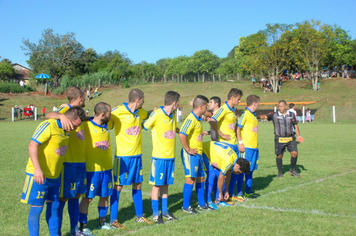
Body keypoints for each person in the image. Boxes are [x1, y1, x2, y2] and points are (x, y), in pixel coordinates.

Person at [20, 107, 85, 236]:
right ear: (67, 120)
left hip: (55, 176)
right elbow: (32, 145)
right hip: (39, 175)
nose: (74, 129)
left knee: (54, 208)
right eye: (74, 126)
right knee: (37, 209)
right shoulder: (48, 125)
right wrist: (37, 169)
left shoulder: (66, 130)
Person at [46, 86, 87, 236]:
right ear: (80, 97)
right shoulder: (66, 111)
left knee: (76, 197)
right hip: (68, 163)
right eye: (84, 97)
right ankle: (55, 232)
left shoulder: (81, 113)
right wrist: (61, 116)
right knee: (61, 199)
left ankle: (74, 230)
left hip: (81, 162)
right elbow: (48, 114)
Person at [110, 89, 153, 228]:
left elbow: (149, 114)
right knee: (118, 187)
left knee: (138, 185)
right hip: (122, 158)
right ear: (138, 99)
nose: (144, 101)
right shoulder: (117, 111)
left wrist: (158, 110)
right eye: (143, 99)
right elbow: (103, 119)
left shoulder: (141, 112)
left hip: (137, 156)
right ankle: (113, 220)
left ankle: (140, 216)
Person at [142, 91, 180, 224]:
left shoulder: (173, 116)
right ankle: (155, 213)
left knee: (166, 185)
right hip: (159, 157)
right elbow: (144, 126)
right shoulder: (157, 114)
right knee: (157, 185)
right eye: (178, 103)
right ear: (174, 103)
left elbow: (175, 130)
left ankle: (165, 211)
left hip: (171, 157)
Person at [79, 102, 116, 233]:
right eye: (109, 113)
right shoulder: (86, 125)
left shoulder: (106, 125)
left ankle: (102, 223)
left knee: (105, 196)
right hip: (91, 170)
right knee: (88, 198)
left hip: (106, 169)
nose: (111, 116)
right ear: (102, 114)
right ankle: (83, 226)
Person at [208, 88, 245, 202]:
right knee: (223, 174)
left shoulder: (233, 109)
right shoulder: (223, 108)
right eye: (238, 99)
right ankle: (218, 197)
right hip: (225, 145)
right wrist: (221, 134)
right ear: (232, 98)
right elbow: (211, 120)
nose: (239, 101)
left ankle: (228, 194)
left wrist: (239, 142)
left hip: (233, 145)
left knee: (232, 172)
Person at [179, 95, 211, 214]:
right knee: (190, 179)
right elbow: (182, 134)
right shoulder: (190, 119)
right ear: (201, 106)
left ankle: (201, 204)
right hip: (191, 154)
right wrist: (188, 149)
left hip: (198, 153)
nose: (206, 109)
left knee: (201, 178)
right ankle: (185, 206)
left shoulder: (197, 119)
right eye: (206, 106)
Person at [267, 100, 303, 178]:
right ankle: (280, 172)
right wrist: (254, 115)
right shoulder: (274, 115)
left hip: (290, 138)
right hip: (279, 138)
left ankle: (292, 170)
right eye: (278, 106)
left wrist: (298, 135)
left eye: (281, 106)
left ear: (285, 106)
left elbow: (295, 125)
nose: (279, 108)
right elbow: (265, 116)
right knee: (279, 155)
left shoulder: (291, 114)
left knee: (294, 153)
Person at [236, 95, 261, 199]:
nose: (258, 105)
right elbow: (238, 128)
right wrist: (241, 143)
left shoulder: (253, 115)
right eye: (258, 104)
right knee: (242, 169)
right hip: (247, 148)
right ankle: (239, 192)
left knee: (250, 169)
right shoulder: (245, 114)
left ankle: (248, 191)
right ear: (254, 103)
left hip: (254, 147)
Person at [203, 96, 221, 209]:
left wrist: (195, 105)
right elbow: (217, 127)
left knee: (216, 173)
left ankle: (217, 197)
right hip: (213, 146)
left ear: (216, 104)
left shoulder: (219, 112)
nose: (209, 104)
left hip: (219, 147)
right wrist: (209, 132)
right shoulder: (216, 113)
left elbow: (210, 116)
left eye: (210, 102)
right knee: (213, 173)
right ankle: (213, 198)